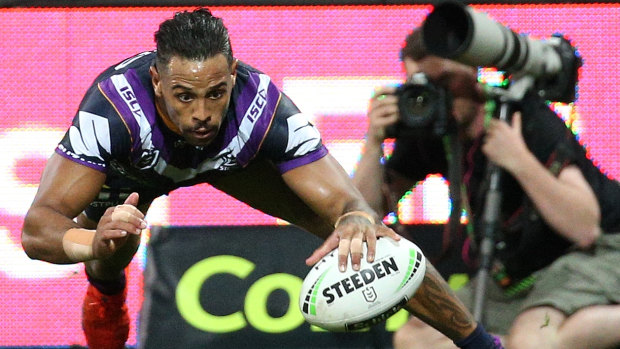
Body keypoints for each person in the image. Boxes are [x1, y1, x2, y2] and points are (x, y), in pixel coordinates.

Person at [21, 8, 503, 349]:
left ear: (233, 73)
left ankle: (482, 346)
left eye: (216, 92)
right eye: (184, 96)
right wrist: (92, 241)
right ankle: (106, 290)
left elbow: (346, 200)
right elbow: (37, 228)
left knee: (379, 240)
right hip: (135, 175)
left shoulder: (263, 107)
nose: (203, 114)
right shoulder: (113, 108)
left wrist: (356, 216)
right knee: (110, 257)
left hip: (235, 164)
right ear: (157, 83)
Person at [353, 26, 620, 349]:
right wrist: (373, 143)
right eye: (423, 83)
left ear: (473, 73)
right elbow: (363, 214)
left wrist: (518, 159)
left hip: (595, 251)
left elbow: (585, 227)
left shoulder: (522, 113)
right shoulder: (434, 130)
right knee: (414, 340)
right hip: (519, 272)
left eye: (446, 81)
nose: (440, 95)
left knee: (534, 340)